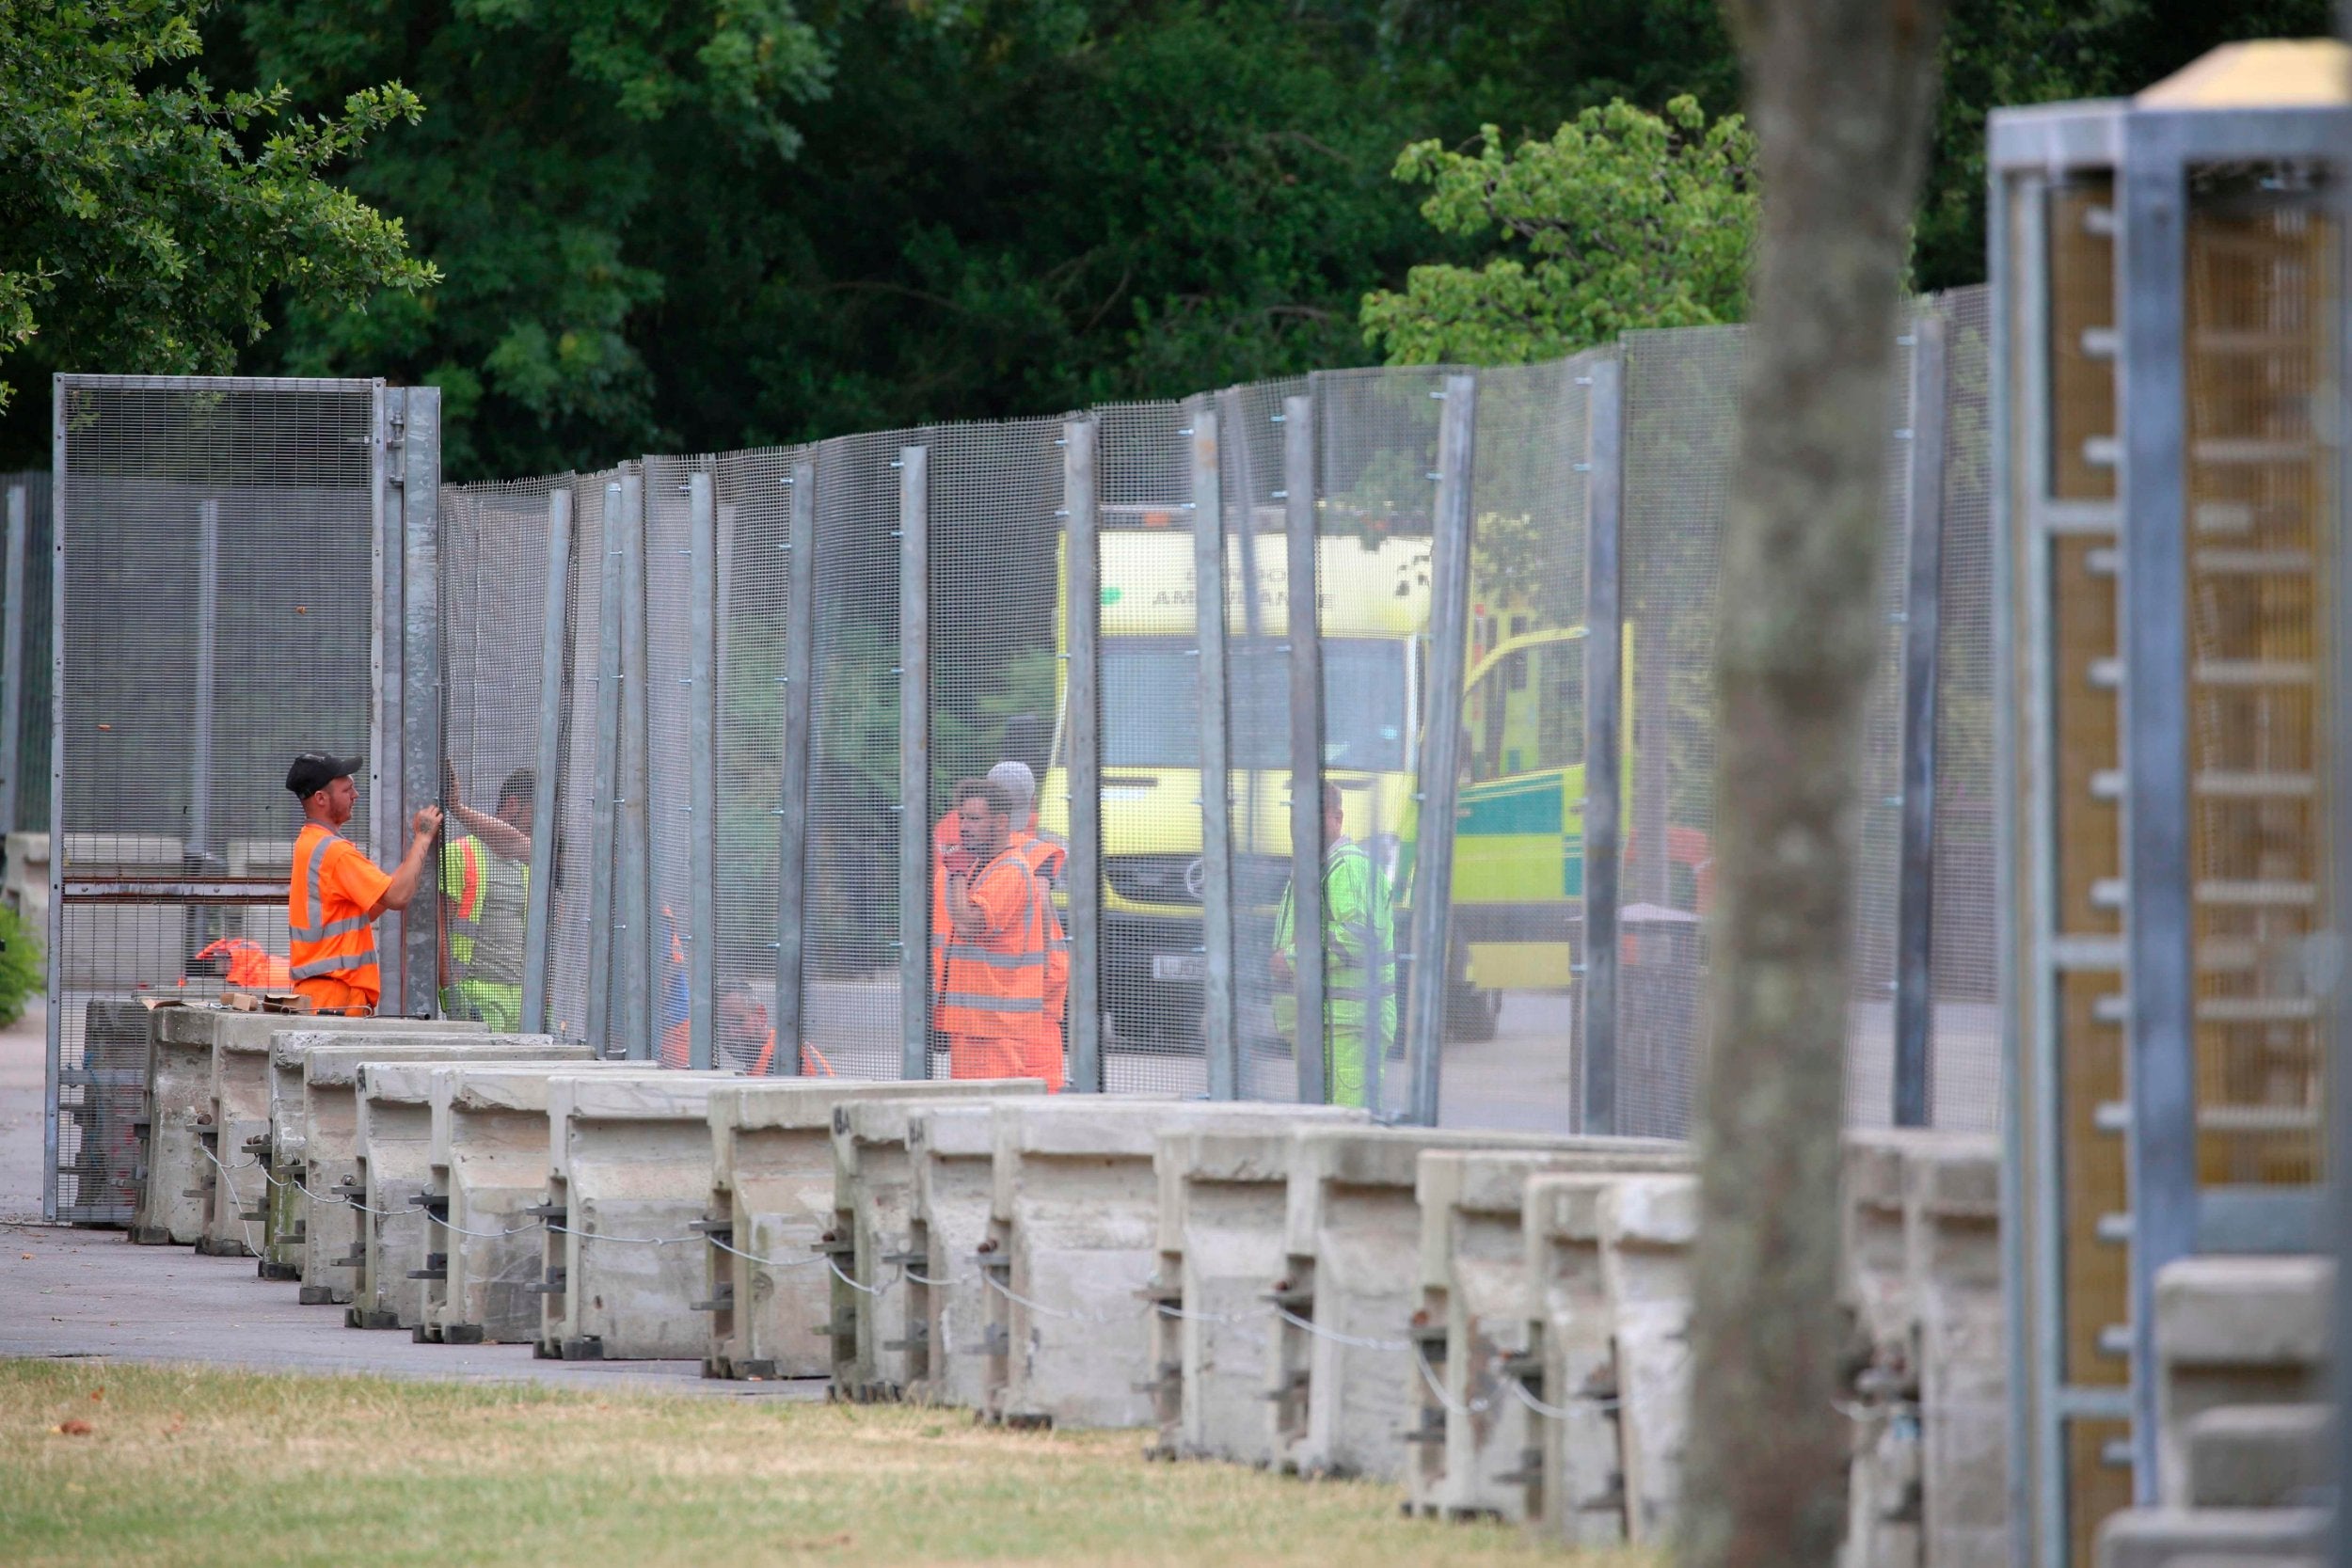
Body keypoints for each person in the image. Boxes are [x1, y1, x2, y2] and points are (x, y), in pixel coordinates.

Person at [284, 752, 441, 1016]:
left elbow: (376, 901)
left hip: (324, 995)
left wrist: (411, 856)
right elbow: (398, 897)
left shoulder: (309, 843)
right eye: (347, 789)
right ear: (321, 799)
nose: (355, 795)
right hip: (336, 998)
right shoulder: (335, 852)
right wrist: (423, 838)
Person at [1270, 780, 1396, 1109]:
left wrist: (1293, 958)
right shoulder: (1318, 870)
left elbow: (1359, 936)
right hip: (1324, 1022)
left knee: (1345, 1131)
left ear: (1337, 818)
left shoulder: (1349, 868)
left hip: (1346, 1024)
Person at [937, 778, 1061, 1089]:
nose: (964, 827)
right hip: (974, 1022)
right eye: (962, 818)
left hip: (996, 1024)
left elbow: (969, 923)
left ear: (1001, 821)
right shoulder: (982, 866)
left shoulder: (1010, 870)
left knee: (991, 1114)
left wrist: (956, 872)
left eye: (974, 819)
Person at [986, 760, 1069, 1086]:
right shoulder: (1037, 853)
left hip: (984, 996)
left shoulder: (970, 843)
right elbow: (1044, 920)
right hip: (1032, 993)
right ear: (1032, 802)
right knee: (1038, 1085)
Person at [439, 766, 533, 1030]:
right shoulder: (461, 853)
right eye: (534, 814)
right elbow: (440, 928)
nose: (538, 824)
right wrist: (452, 993)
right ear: (513, 804)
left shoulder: (529, 862)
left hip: (522, 995)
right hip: (477, 992)